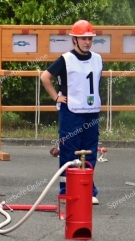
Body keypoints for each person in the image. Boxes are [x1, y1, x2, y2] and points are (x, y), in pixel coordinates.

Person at [40, 20, 103, 205]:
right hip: (72, 112)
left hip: (91, 111)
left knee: (89, 152)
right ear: (75, 39)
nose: (87, 42)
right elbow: (45, 77)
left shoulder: (98, 58)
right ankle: (66, 190)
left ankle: (88, 190)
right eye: (83, 39)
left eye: (90, 39)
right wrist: (56, 97)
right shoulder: (65, 59)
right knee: (69, 152)